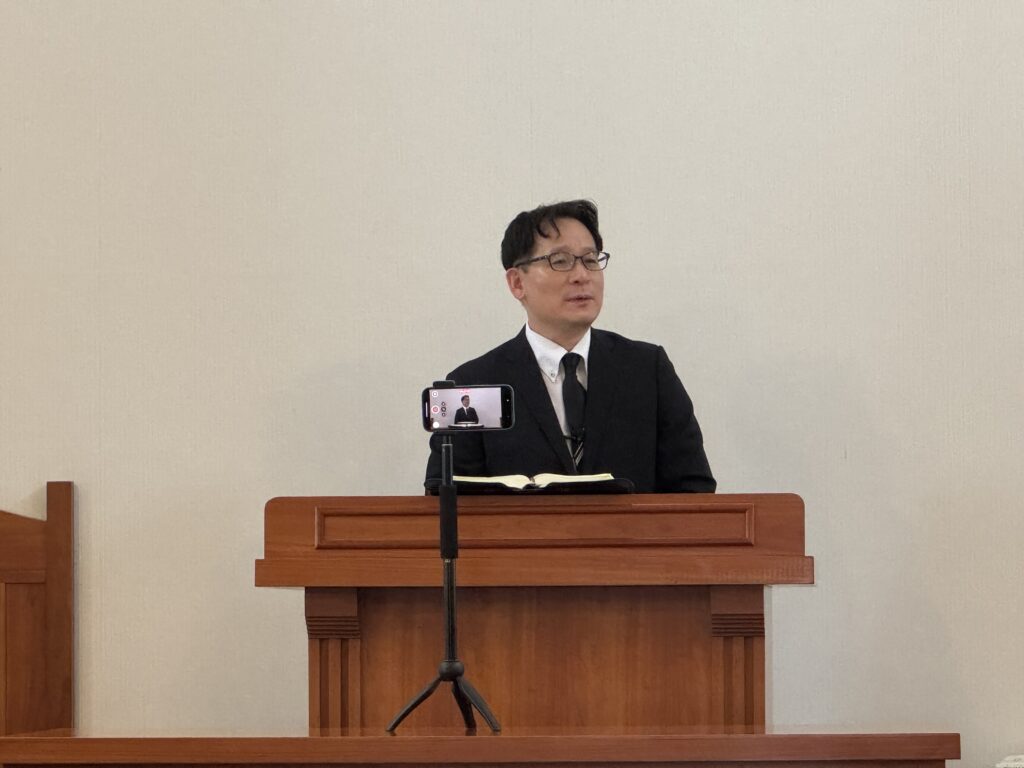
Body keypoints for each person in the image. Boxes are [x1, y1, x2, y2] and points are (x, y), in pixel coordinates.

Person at [425, 200, 715, 493]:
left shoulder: (647, 370)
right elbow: (443, 500)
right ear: (517, 283)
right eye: (560, 261)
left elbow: (694, 490)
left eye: (590, 260)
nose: (581, 275)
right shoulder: (473, 384)